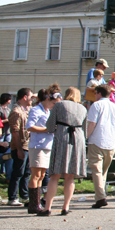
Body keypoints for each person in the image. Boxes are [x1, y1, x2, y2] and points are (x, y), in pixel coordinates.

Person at [41, 87, 87, 216]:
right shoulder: (83, 108)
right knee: (70, 175)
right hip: (78, 138)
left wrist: (56, 128)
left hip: (62, 136)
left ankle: (47, 207)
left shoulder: (60, 105)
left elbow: (50, 126)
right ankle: (66, 206)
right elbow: (85, 128)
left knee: (55, 175)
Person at [25, 85, 61, 214]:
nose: (53, 106)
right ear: (46, 99)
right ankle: (33, 204)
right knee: (36, 175)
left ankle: (37, 202)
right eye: (53, 103)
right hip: (38, 145)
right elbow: (30, 126)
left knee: (41, 176)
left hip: (47, 145)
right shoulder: (36, 110)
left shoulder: (48, 111)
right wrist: (47, 129)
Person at [86, 84, 115, 209]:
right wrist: (114, 140)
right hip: (110, 143)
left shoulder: (96, 105)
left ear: (99, 93)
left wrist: (86, 137)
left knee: (96, 170)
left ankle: (101, 197)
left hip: (97, 140)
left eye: (95, 93)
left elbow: (92, 124)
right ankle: (100, 195)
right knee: (103, 172)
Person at [8, 88, 33, 207]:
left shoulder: (27, 109)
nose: (32, 99)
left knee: (27, 172)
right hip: (20, 146)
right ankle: (12, 197)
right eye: (30, 97)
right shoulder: (16, 111)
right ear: (24, 97)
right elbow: (15, 132)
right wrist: (18, 149)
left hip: (28, 145)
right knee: (18, 172)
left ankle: (24, 196)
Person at [0, 93, 13, 181]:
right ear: (6, 99)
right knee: (0, 150)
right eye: (9, 99)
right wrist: (6, 120)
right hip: (1, 132)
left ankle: (4, 171)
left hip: (8, 132)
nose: (10, 100)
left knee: (7, 152)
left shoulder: (8, 109)